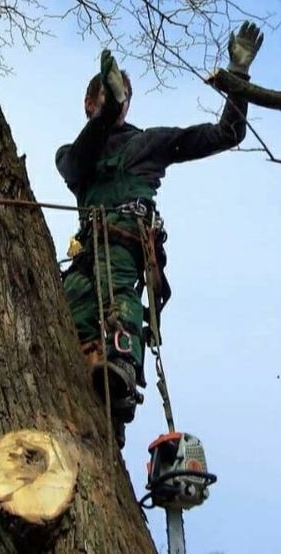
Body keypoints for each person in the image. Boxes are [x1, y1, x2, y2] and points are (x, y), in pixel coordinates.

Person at [56, 22, 264, 446]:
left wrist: (237, 77)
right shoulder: (73, 155)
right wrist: (107, 112)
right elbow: (77, 164)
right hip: (84, 255)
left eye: (122, 98)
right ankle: (91, 390)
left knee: (118, 296)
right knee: (70, 311)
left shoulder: (149, 143)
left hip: (123, 241)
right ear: (89, 103)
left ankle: (120, 366)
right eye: (109, 97)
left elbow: (227, 133)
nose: (118, 106)